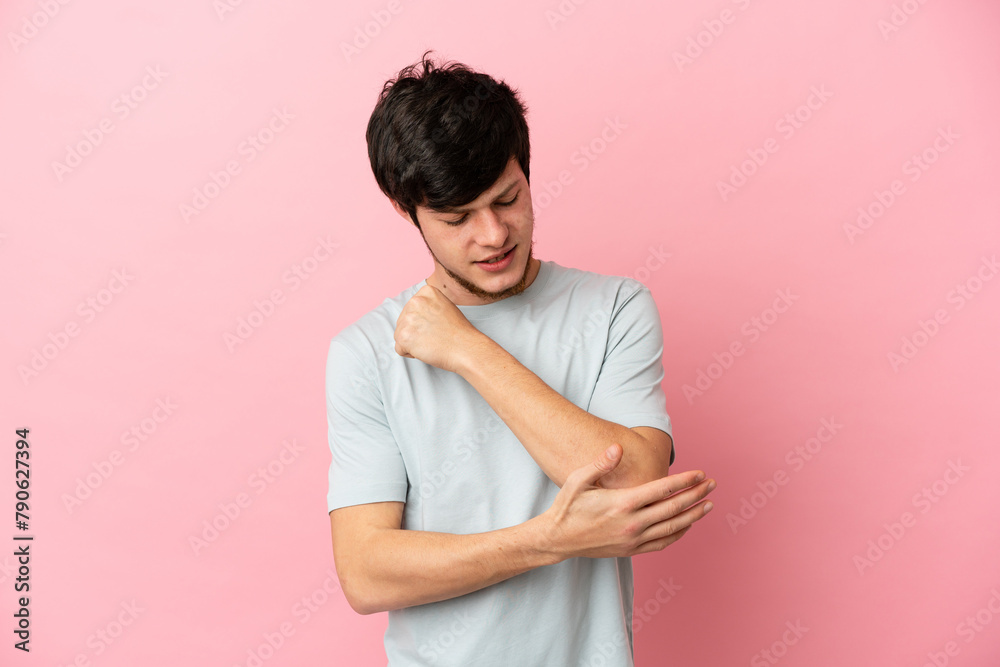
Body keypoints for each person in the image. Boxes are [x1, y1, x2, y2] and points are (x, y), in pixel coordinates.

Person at [326, 51, 716, 666]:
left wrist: (467, 349)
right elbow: (367, 573)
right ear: (409, 213)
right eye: (457, 218)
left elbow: (637, 481)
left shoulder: (615, 309)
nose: (493, 235)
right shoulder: (367, 352)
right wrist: (549, 542)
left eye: (507, 199)